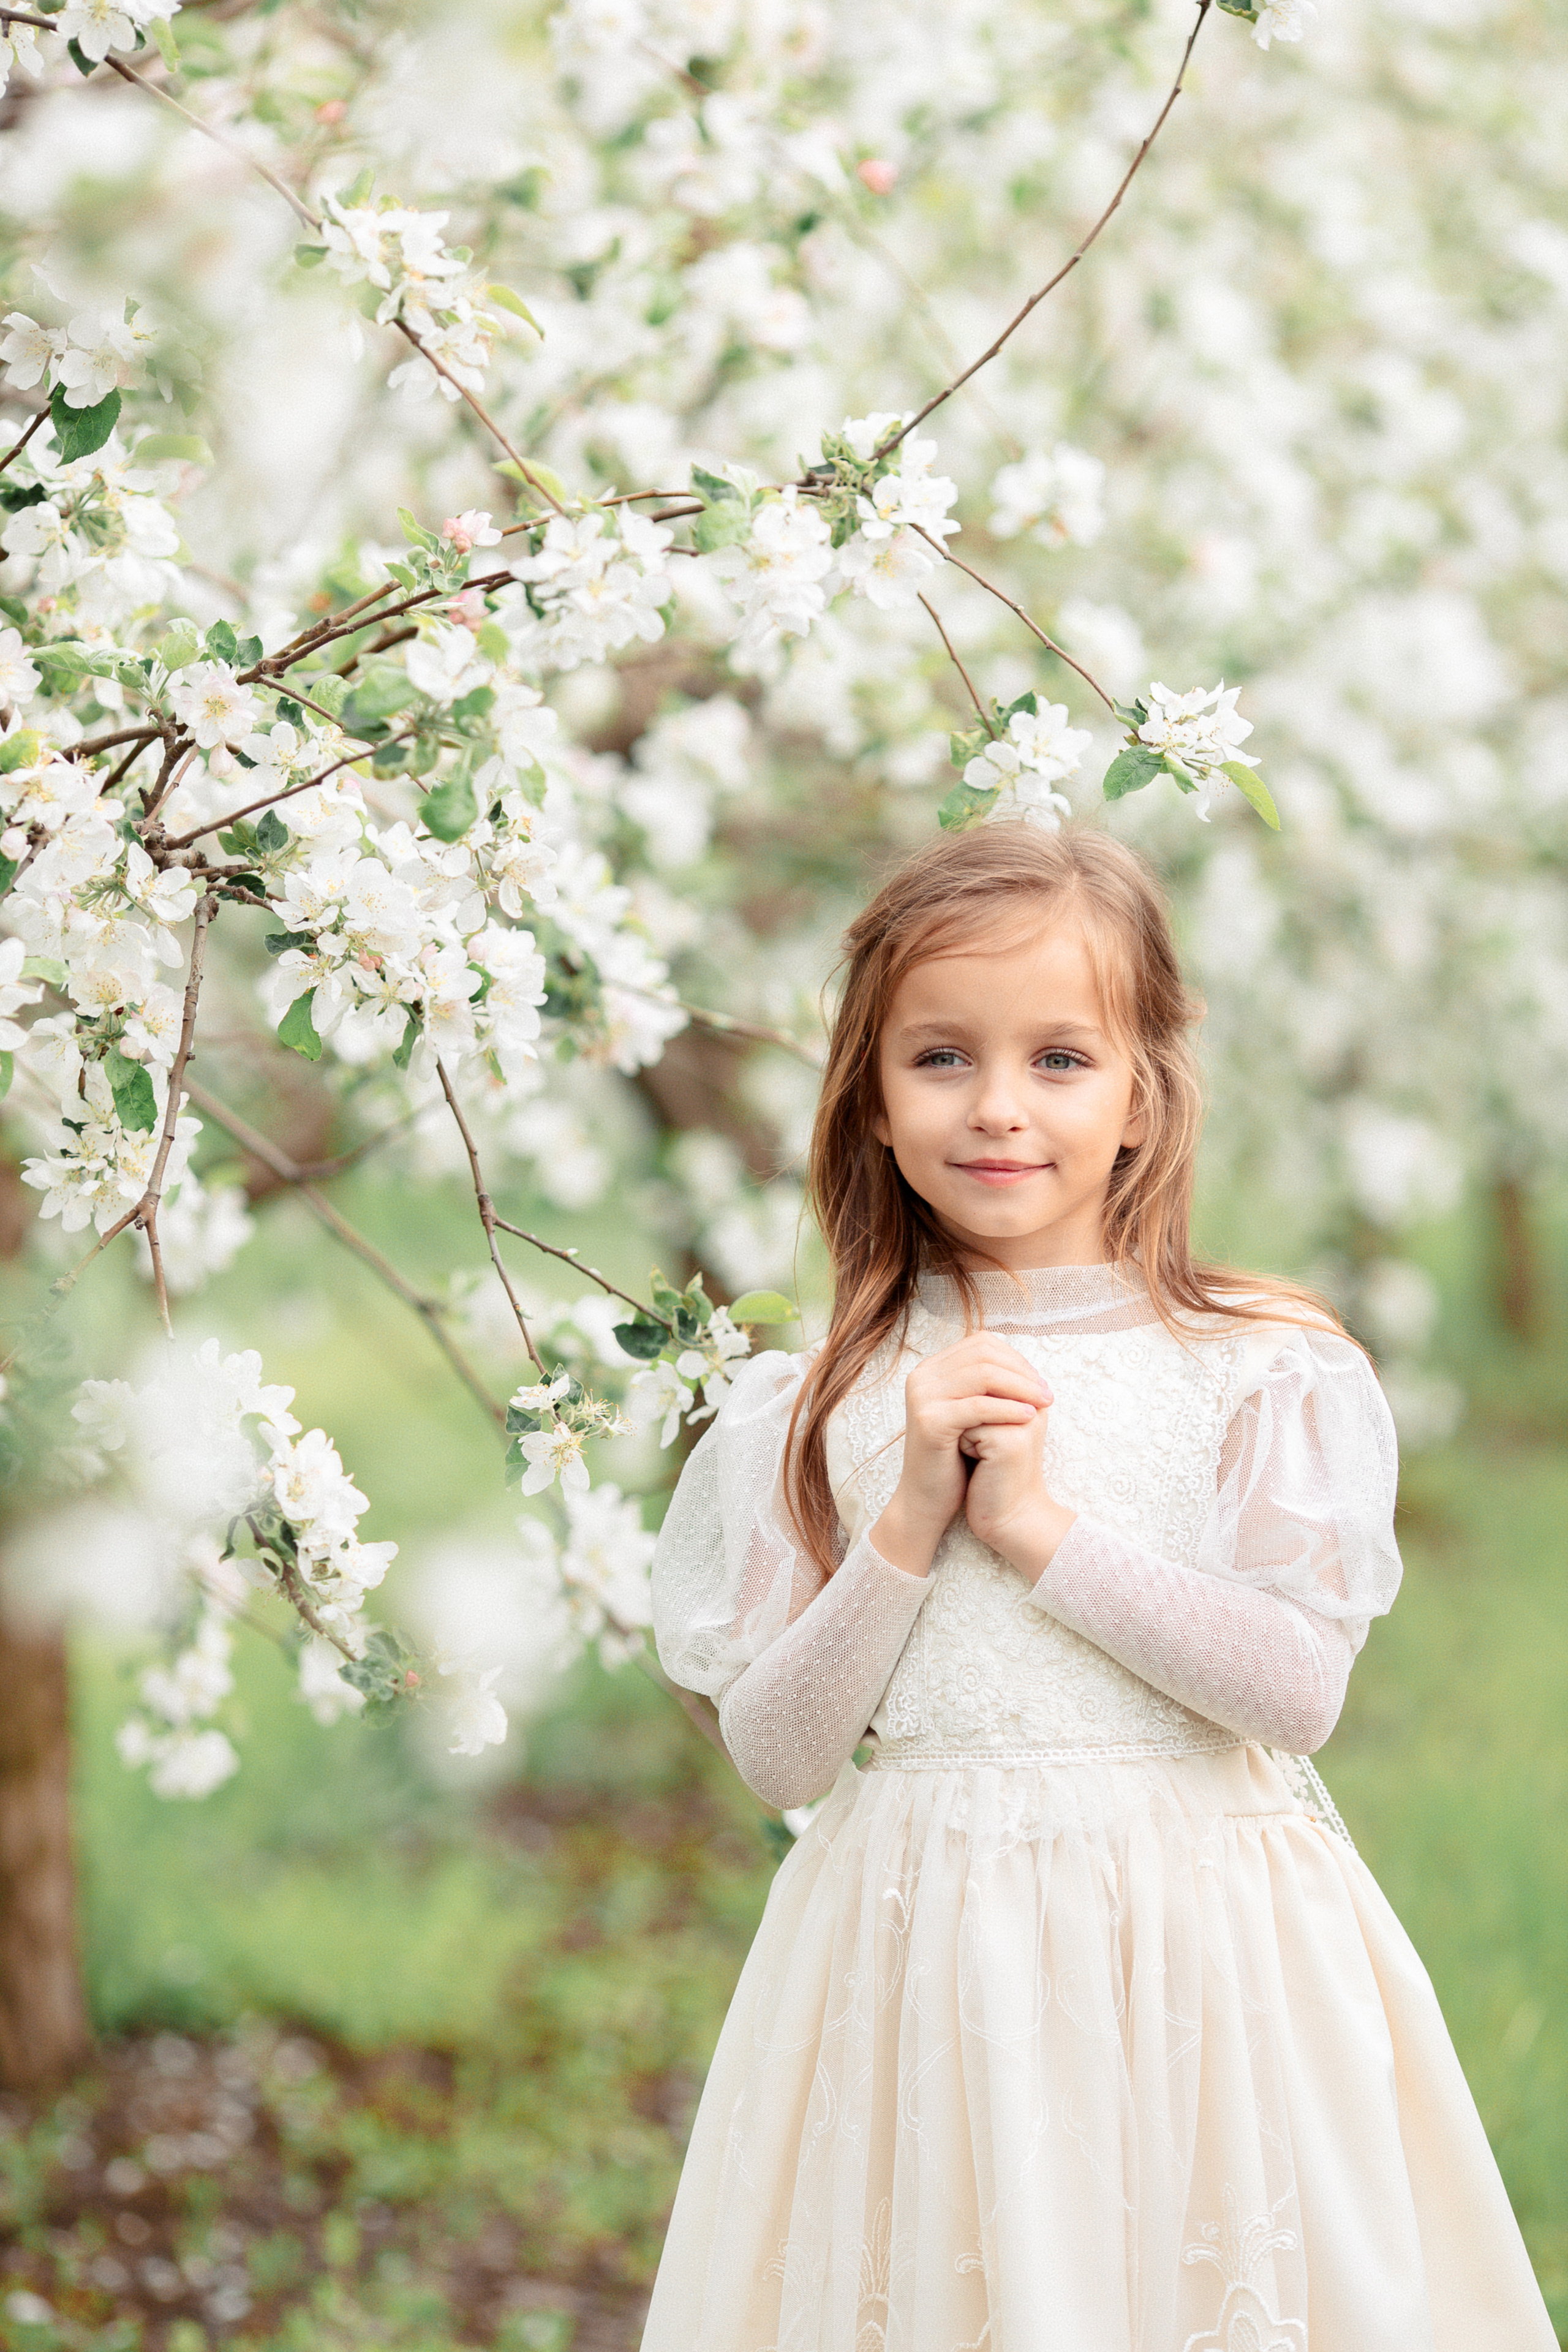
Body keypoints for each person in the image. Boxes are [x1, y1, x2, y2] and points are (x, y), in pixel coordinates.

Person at [641, 824, 1555, 2352]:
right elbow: (777, 1755)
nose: (998, 1106)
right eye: (940, 1058)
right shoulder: (810, 1403)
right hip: (925, 1955)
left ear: (1142, 1092)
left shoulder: (1256, 1369)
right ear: (868, 1095)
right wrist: (910, 1521)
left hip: (1201, 1959)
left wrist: (1044, 1535)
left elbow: (1294, 1696)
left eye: (1059, 1058)